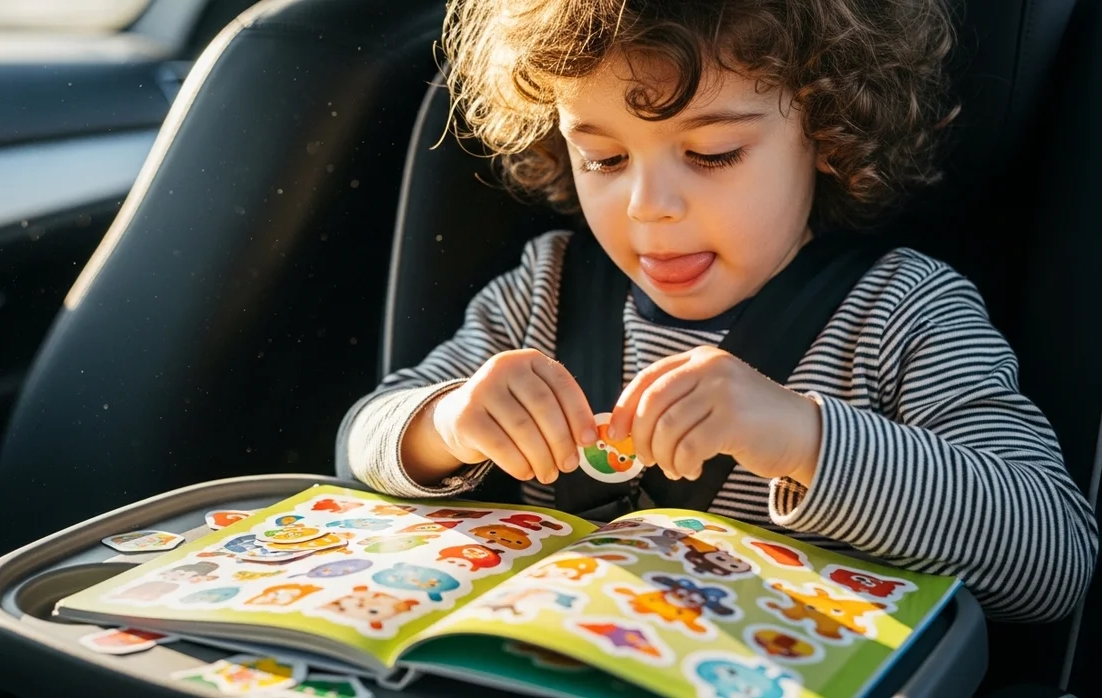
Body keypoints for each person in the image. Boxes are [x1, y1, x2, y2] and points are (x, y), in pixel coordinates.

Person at [336, 0, 1097, 622]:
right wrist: (445, 424)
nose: (648, 207)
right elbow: (361, 444)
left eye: (713, 154)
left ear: (825, 131)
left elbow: (1053, 560)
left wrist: (803, 440)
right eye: (604, 159)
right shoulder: (543, 293)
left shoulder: (903, 316)